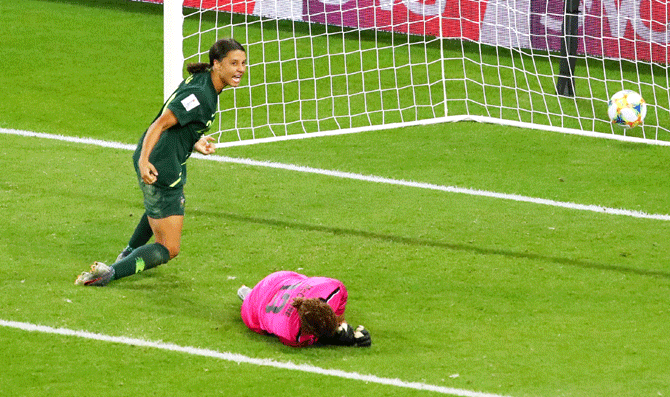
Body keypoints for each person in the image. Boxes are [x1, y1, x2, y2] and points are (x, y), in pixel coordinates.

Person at [75, 38, 247, 286]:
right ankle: (110, 273)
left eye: (243, 63)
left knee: (158, 211)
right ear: (217, 64)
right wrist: (145, 161)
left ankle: (124, 256)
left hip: (161, 159)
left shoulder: (205, 82)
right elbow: (160, 124)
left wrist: (194, 141)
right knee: (169, 247)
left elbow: (179, 124)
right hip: (160, 166)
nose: (240, 69)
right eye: (233, 63)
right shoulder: (201, 94)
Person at [238, 270, 371, 347]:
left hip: (280, 279)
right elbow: (315, 339)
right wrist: (335, 339)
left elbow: (338, 315)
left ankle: (252, 293)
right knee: (262, 323)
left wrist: (342, 324)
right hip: (253, 307)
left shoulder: (333, 289)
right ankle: (249, 295)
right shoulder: (293, 333)